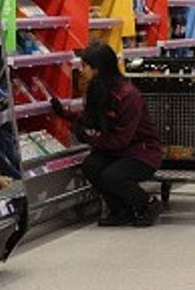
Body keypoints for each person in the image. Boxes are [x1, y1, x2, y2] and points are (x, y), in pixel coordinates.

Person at [51, 41, 163, 227]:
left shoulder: (128, 95)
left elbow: (120, 140)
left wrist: (86, 137)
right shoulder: (99, 90)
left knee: (111, 176)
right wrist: (64, 114)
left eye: (85, 66)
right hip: (118, 152)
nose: (82, 70)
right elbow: (91, 118)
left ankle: (148, 204)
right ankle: (120, 211)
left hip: (143, 153)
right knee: (91, 165)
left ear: (98, 69)